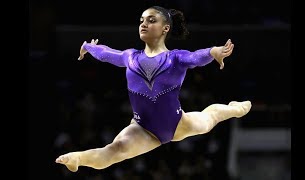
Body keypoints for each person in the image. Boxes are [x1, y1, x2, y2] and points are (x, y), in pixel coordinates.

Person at [55, 5, 252, 172]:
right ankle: (78, 159)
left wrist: (213, 52)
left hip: (176, 124)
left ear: (165, 28)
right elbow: (107, 53)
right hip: (143, 128)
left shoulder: (175, 58)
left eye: (151, 20)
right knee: (115, 150)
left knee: (210, 119)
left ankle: (235, 108)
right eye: (141, 20)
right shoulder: (130, 56)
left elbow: (196, 57)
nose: (143, 24)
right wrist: (89, 47)